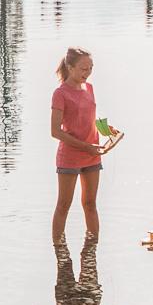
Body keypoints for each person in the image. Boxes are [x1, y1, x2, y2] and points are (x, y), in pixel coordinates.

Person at [51, 47, 116, 270]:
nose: (87, 73)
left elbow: (90, 118)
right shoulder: (60, 93)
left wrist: (106, 129)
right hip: (70, 156)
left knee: (90, 203)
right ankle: (60, 252)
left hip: (93, 155)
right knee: (64, 204)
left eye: (90, 68)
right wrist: (85, 146)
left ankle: (91, 253)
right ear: (70, 68)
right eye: (83, 69)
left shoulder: (89, 88)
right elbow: (55, 131)